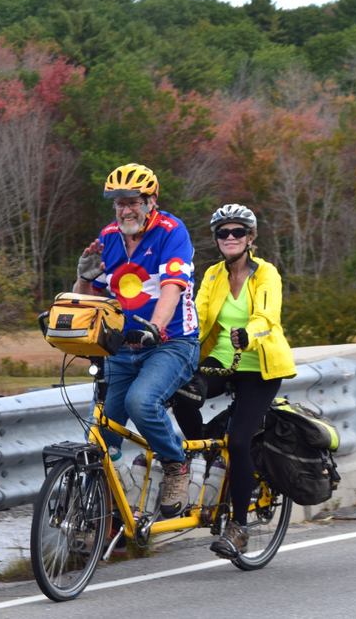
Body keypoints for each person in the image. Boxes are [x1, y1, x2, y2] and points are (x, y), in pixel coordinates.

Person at [74, 163, 200, 518]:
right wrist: (83, 278)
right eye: (118, 203)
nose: (125, 209)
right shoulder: (109, 237)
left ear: (151, 200)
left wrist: (155, 327)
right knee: (102, 434)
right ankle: (100, 518)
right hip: (121, 349)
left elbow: (172, 288)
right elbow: (89, 299)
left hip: (171, 343)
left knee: (140, 402)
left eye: (133, 201)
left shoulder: (172, 232)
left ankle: (176, 464)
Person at [173, 203, 296, 558]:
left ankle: (238, 526)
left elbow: (268, 317)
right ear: (216, 239)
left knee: (240, 441)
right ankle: (203, 453)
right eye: (223, 232)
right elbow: (194, 314)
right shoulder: (212, 275)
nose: (230, 237)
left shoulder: (266, 273)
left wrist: (249, 333)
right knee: (183, 395)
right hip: (220, 360)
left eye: (237, 231)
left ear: (250, 237)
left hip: (259, 365)